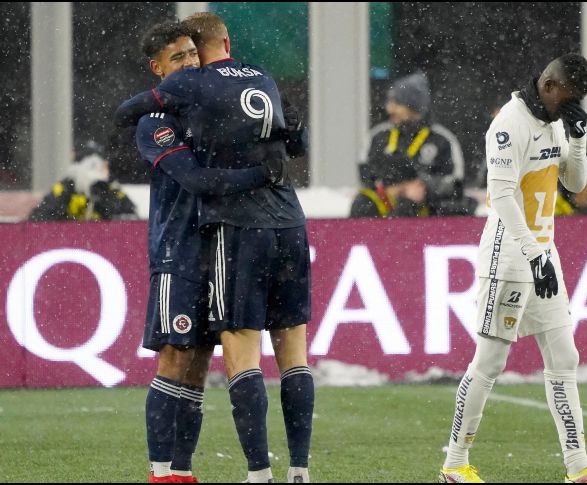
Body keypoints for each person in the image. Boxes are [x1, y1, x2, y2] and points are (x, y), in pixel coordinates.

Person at [115, 12, 312, 484]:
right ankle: (162, 472)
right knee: (175, 356)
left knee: (201, 363)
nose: (190, 63)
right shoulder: (155, 121)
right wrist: (263, 174)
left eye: (192, 53)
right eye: (177, 58)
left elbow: (272, 136)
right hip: (179, 251)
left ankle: (183, 470)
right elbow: (198, 180)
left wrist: (288, 132)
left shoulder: (209, 105)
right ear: (158, 68)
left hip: (223, 242)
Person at [438, 54, 587, 483]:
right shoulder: (510, 124)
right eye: (570, 98)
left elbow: (574, 184)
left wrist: (576, 141)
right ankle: (454, 464)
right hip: (509, 255)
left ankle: (579, 468)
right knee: (490, 361)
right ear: (549, 86)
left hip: (543, 252)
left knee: (564, 356)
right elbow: (502, 196)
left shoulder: (555, 122)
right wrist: (532, 252)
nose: (572, 106)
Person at [359, 72, 477, 216]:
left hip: (428, 211)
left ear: (412, 107)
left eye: (396, 104)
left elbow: (455, 181)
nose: (389, 109)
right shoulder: (378, 136)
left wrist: (423, 186)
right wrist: (393, 188)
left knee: (409, 205)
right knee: (362, 204)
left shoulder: (441, 139)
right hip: (385, 205)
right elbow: (365, 172)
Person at [28, 148, 137, 222]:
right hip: (70, 242)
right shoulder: (65, 187)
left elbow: (131, 217)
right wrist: (65, 218)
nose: (106, 171)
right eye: (102, 166)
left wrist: (104, 203)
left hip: (104, 241)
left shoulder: (110, 188)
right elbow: (40, 216)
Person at [350, 158, 428, 218]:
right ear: (404, 183)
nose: (422, 187)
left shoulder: (424, 201)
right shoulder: (366, 202)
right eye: (416, 182)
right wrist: (408, 204)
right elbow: (389, 231)